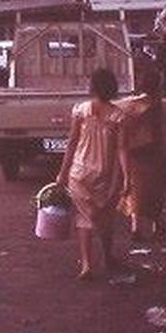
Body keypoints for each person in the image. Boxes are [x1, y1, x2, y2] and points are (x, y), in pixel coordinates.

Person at [56, 68, 128, 280]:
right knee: (105, 217)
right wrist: (127, 176)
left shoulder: (81, 110)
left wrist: (62, 172)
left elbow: (71, 144)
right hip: (105, 174)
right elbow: (122, 149)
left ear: (93, 87)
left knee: (84, 218)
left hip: (79, 172)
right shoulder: (118, 116)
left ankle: (86, 264)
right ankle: (107, 256)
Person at [117, 70, 166, 241]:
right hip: (156, 150)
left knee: (134, 189)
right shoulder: (163, 104)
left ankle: (136, 227)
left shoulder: (128, 104)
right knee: (155, 189)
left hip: (134, 151)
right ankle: (156, 224)